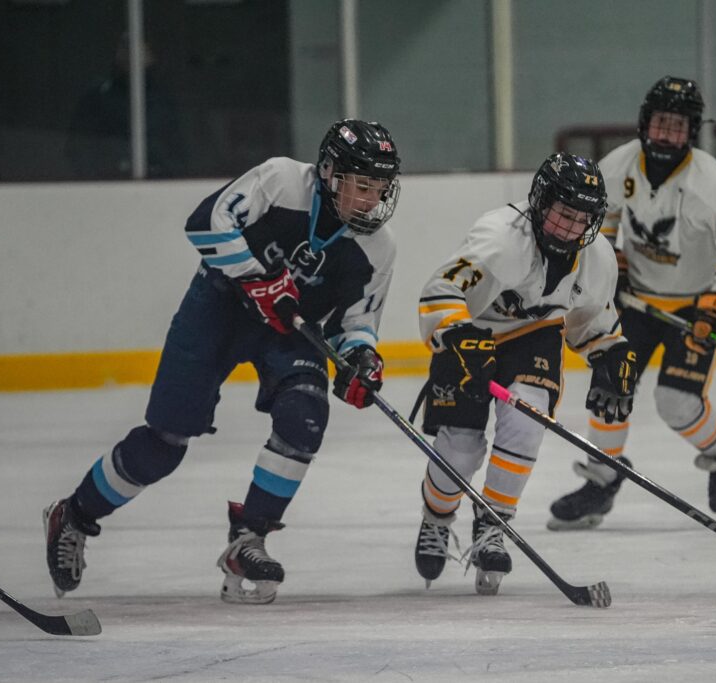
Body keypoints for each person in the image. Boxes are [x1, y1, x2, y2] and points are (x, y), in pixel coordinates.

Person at [43, 119, 401, 604]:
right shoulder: (279, 181)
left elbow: (357, 321)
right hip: (219, 307)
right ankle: (75, 514)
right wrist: (257, 276)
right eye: (361, 186)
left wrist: (361, 358)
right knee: (165, 442)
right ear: (330, 172)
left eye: (379, 189)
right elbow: (206, 221)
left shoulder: (378, 248)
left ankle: (248, 539)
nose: (369, 201)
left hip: (289, 331)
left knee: (306, 416)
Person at [413, 152, 639, 595]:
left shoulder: (597, 257)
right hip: (469, 334)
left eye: (581, 219)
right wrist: (457, 335)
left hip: (533, 336)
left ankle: (492, 525)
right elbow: (441, 291)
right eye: (563, 213)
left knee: (527, 421)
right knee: (460, 447)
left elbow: (592, 321)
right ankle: (436, 518)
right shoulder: (499, 237)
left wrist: (611, 354)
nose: (570, 227)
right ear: (541, 201)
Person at [546, 77, 716, 531]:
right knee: (611, 387)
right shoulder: (619, 165)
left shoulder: (712, 185)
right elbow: (596, 222)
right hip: (637, 302)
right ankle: (602, 481)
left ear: (693, 131)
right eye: (661, 123)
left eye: (678, 127)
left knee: (677, 403)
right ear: (645, 124)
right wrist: (611, 263)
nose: (667, 134)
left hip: (694, 309)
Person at [66, 35, 186, 179]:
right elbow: (78, 148)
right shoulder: (96, 97)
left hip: (158, 186)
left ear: (151, 56)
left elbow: (179, 151)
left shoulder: (165, 100)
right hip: (105, 187)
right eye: (125, 47)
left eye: (140, 49)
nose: (132, 55)